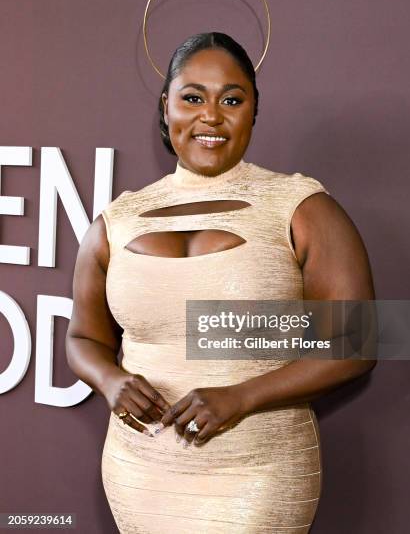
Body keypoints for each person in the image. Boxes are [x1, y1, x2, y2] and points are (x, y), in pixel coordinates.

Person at [66, 31, 376, 533]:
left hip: (258, 471)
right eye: (193, 98)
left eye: (232, 99)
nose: (211, 115)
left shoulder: (300, 206)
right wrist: (109, 379)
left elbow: (358, 343)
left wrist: (241, 396)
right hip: (140, 472)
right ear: (166, 106)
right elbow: (83, 338)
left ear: (254, 110)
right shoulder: (116, 220)